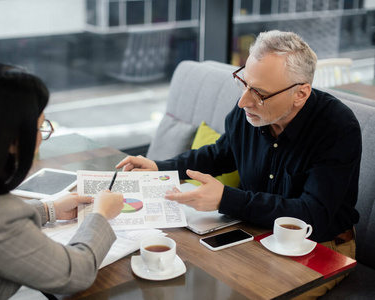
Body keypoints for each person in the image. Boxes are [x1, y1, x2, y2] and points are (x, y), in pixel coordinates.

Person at [116, 30, 361, 299]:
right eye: (244, 83)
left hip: (319, 245)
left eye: (259, 93)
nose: (244, 100)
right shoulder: (250, 110)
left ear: (300, 94)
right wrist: (160, 167)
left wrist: (225, 199)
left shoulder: (337, 127)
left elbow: (311, 214)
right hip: (253, 230)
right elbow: (219, 155)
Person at [0, 63, 124, 300]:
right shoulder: (0, 219)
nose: (41, 137)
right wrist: (100, 214)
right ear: (11, 141)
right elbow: (76, 273)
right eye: (39, 127)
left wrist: (49, 209)